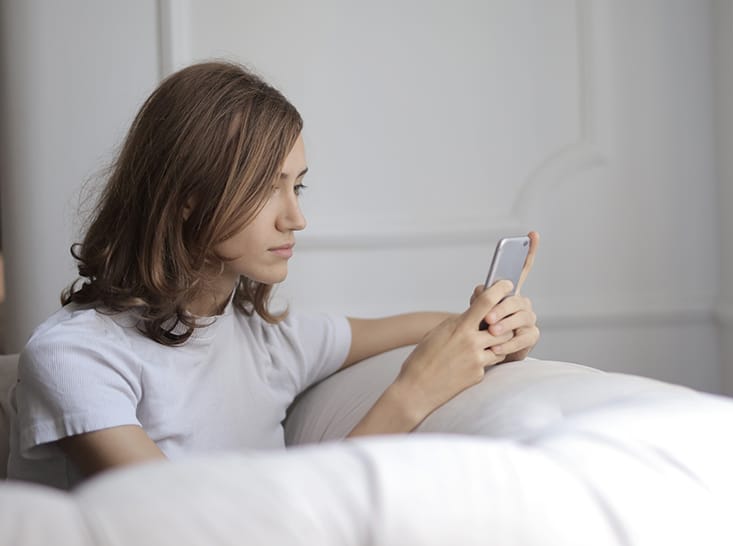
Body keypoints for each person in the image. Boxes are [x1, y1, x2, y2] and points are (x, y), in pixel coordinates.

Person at [6, 61, 540, 489]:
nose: (295, 217)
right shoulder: (76, 355)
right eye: (267, 186)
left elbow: (420, 327)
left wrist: (492, 326)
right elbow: (185, 532)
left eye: (297, 186)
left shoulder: (269, 344)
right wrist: (411, 395)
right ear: (187, 197)